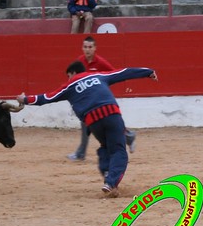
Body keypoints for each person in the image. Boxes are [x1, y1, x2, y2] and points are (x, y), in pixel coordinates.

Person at [16, 61, 158, 197]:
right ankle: (111, 183)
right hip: (111, 114)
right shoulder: (98, 76)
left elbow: (46, 98)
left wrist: (25, 99)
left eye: (68, 76)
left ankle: (108, 177)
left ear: (72, 73)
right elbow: (124, 72)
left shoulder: (69, 86)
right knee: (118, 150)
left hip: (93, 121)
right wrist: (148, 72)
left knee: (105, 147)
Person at [67, 36, 137, 161]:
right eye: (85, 47)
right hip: (87, 101)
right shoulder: (79, 62)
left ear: (95, 48)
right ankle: (81, 153)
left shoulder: (101, 62)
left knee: (105, 125)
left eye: (90, 47)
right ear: (82, 48)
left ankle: (129, 137)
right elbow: (73, 80)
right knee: (87, 124)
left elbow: (113, 74)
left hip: (100, 100)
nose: (87, 50)